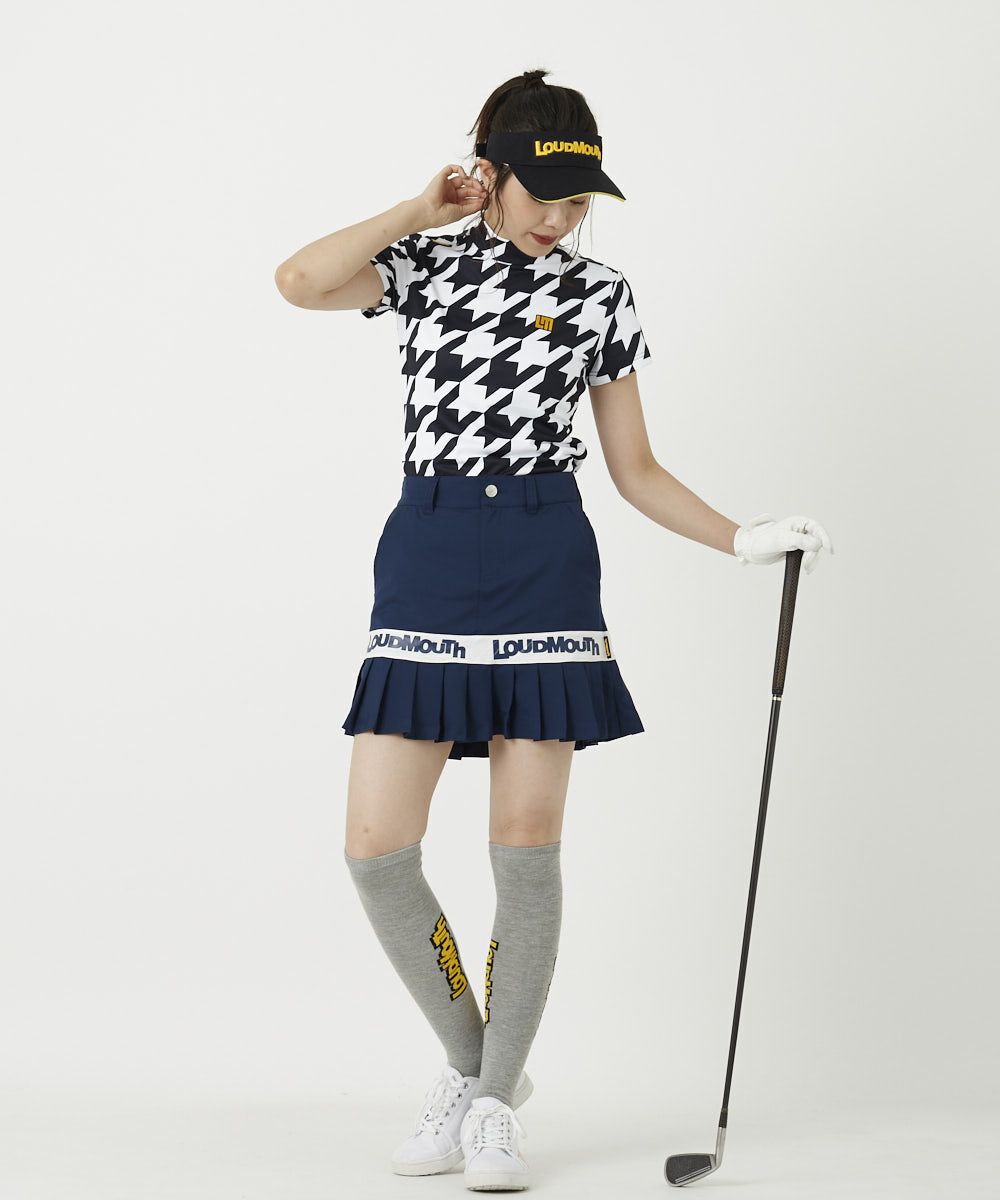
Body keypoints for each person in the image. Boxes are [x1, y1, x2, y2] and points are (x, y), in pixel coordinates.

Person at [274, 68, 833, 1193]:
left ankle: (490, 1107)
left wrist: (741, 538)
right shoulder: (425, 266)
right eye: (544, 194)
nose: (562, 218)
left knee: (524, 848)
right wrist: (417, 208)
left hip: (544, 563)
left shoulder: (601, 294)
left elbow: (635, 470)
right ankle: (478, 1066)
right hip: (428, 558)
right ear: (489, 173)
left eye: (579, 201)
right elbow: (299, 282)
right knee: (376, 850)